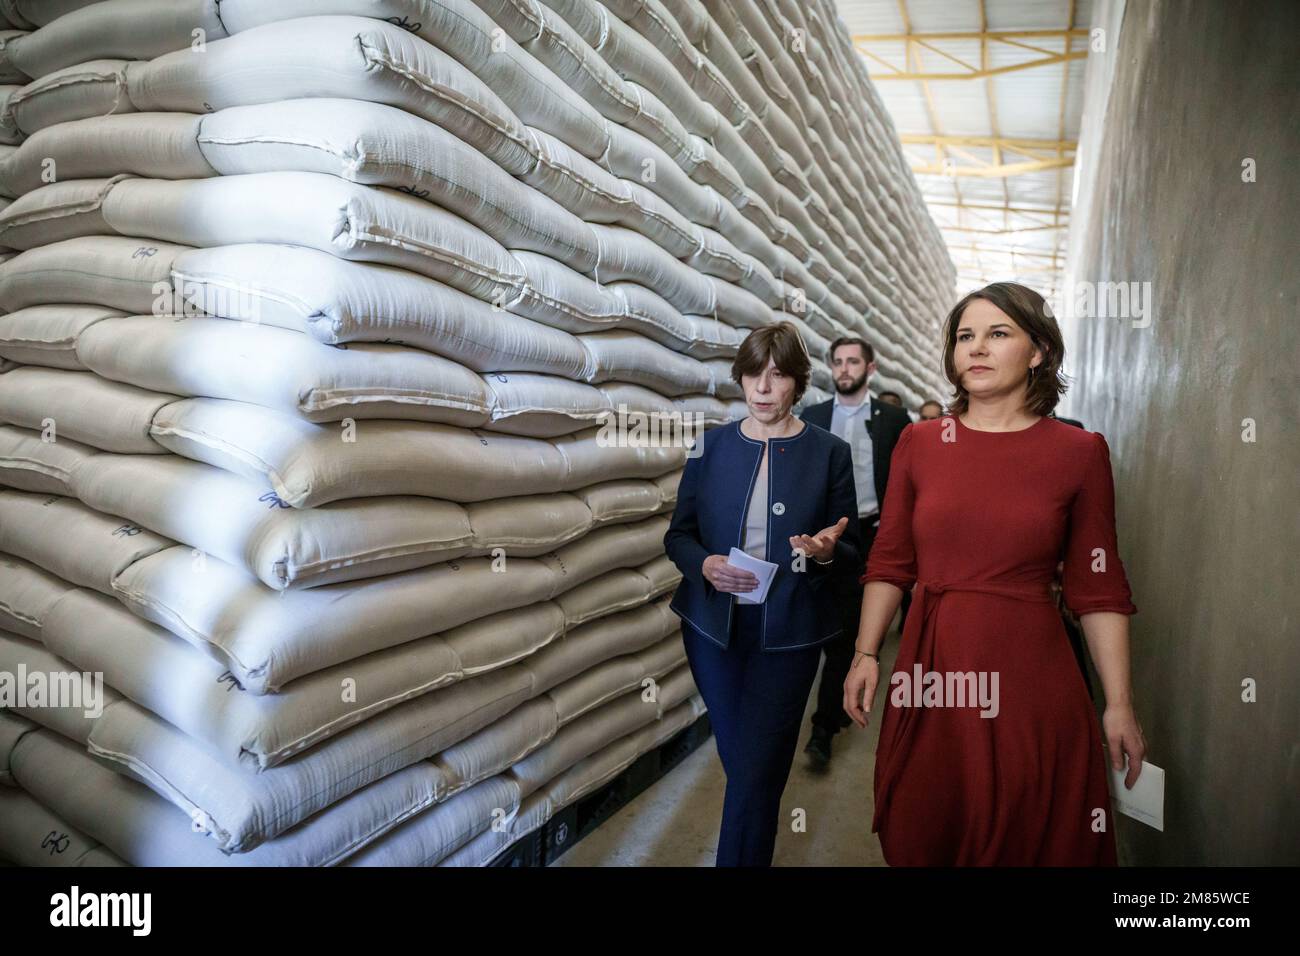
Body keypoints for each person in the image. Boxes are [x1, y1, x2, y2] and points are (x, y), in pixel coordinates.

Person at [844, 281, 1146, 866]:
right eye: (965, 337)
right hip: (932, 671)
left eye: (998, 334)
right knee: (922, 822)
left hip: (1032, 676)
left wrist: (1118, 704)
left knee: (1026, 828)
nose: (976, 349)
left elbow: (1098, 588)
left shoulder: (1079, 452)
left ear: (1038, 352)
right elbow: (892, 560)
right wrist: (865, 654)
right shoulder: (921, 442)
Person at [664, 321, 861, 867]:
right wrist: (704, 563)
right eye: (753, 375)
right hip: (713, 632)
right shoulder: (712, 448)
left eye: (777, 376)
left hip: (790, 634)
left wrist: (824, 551)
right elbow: (677, 535)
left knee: (754, 770)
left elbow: (851, 553)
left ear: (798, 382)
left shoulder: (828, 454)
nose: (764, 388)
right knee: (753, 768)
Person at [797, 337, 911, 770]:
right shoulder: (813, 417)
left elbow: (905, 483)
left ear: (871, 367)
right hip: (821, 536)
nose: (845, 369)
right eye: (838, 362)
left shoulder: (894, 420)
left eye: (853, 362)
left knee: (849, 633)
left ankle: (823, 727)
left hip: (870, 535)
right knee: (813, 626)